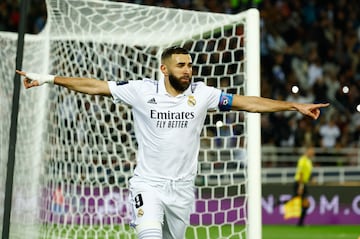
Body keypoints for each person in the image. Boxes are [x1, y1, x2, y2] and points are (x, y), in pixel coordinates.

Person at [16, 46, 329, 239]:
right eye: (181, 65)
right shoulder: (141, 90)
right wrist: (47, 78)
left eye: (190, 65)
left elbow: (248, 103)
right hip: (147, 185)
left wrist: (292, 106)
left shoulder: (203, 94)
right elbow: (95, 86)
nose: (188, 70)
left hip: (182, 190)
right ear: (164, 69)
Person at [276, 146, 315, 226]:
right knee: (303, 203)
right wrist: (301, 186)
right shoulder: (302, 160)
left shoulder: (309, 161)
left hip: (303, 183)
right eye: (311, 151)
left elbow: (307, 173)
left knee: (302, 202)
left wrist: (311, 179)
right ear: (307, 151)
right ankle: (300, 223)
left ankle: (278, 203)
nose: (313, 153)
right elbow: (300, 173)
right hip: (299, 183)